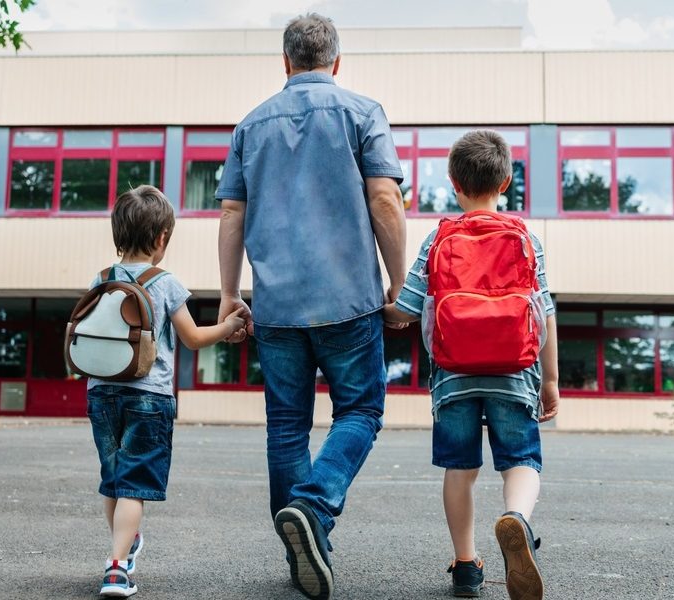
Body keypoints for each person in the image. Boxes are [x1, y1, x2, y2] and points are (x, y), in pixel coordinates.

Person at [215, 13, 407, 600]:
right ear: (337, 62)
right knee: (361, 412)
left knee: (287, 427)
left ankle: (304, 547)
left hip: (275, 306)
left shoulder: (250, 125)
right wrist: (399, 285)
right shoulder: (362, 113)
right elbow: (384, 199)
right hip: (348, 300)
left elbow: (230, 213)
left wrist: (229, 294)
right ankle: (314, 508)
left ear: (286, 63)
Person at [383, 130, 559, 600]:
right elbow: (544, 313)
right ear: (506, 181)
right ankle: (516, 518)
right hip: (515, 372)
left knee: (459, 468)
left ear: (452, 182)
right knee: (521, 460)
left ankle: (466, 565)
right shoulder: (526, 238)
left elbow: (406, 308)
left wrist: (390, 306)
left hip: (454, 375)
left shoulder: (439, 237)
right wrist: (553, 382)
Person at [86, 185, 246, 597]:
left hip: (101, 392)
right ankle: (118, 568)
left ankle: (124, 542)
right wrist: (228, 328)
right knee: (135, 483)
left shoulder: (102, 278)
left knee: (115, 479)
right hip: (148, 396)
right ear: (161, 239)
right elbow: (192, 338)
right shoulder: (166, 283)